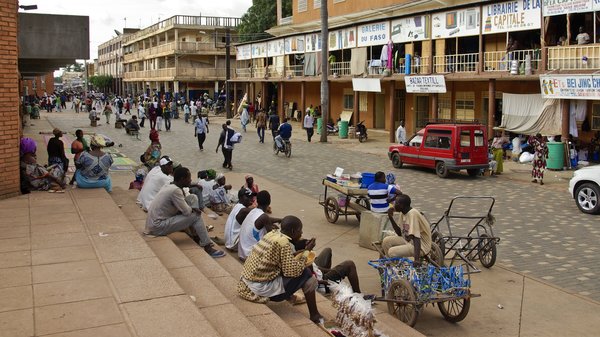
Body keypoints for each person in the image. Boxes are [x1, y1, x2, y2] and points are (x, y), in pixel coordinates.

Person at [237, 215, 323, 324]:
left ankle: (294, 298)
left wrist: (300, 252)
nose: (301, 234)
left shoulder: (273, 234)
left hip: (247, 282)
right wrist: (307, 251)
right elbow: (294, 271)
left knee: (292, 268)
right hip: (258, 288)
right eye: (300, 231)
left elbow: (283, 259)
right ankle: (314, 315)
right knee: (306, 273)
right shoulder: (283, 243)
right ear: (293, 231)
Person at [145, 167, 225, 258]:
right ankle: (207, 246)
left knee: (192, 197)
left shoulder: (170, 185)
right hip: (157, 227)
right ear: (182, 179)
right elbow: (187, 212)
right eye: (189, 178)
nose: (190, 180)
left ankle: (196, 234)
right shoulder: (175, 191)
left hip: (155, 222)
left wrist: (191, 207)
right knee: (196, 215)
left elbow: (185, 204)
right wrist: (193, 209)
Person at [382, 194, 432, 266]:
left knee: (391, 252)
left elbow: (416, 238)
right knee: (386, 241)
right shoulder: (403, 213)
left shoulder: (412, 214)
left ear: (401, 205)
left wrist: (416, 259)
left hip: (421, 246)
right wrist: (390, 217)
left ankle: (397, 267)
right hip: (409, 240)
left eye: (396, 203)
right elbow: (400, 233)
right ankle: (395, 265)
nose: (394, 205)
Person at [237, 190, 282, 261]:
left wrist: (279, 220)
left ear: (257, 201)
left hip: (242, 253)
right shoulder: (264, 217)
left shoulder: (253, 211)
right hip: (250, 256)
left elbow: (265, 219)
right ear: (269, 202)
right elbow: (272, 238)